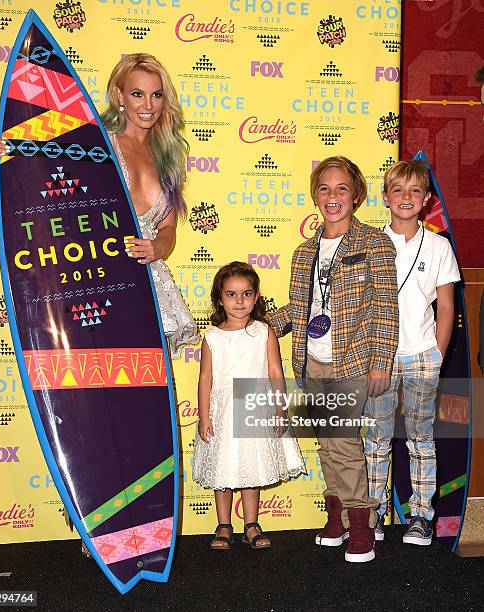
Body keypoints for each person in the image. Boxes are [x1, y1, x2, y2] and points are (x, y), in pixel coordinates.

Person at [0, 53, 199, 359]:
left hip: (146, 285)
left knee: (153, 391)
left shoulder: (168, 157)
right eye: (138, 94)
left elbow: (167, 228)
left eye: (156, 95)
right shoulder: (97, 143)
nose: (148, 106)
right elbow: (43, 174)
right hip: (97, 277)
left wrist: (158, 247)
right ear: (119, 95)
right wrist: (5, 152)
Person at [266, 156, 399, 563]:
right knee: (325, 444)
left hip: (353, 360)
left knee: (342, 442)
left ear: (356, 194)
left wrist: (381, 360)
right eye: (324, 188)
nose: (332, 196)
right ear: (315, 195)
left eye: (341, 188)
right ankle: (337, 517)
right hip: (310, 363)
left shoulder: (374, 242)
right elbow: (300, 307)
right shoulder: (304, 252)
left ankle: (363, 525)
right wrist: (258, 324)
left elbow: (386, 309)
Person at [364, 159, 460, 545]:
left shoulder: (438, 246)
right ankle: (372, 514)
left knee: (421, 437)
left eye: (415, 191)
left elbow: (446, 306)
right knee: (376, 438)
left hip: (422, 354)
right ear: (385, 197)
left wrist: (435, 354)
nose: (406, 198)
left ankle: (421, 515)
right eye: (398, 191)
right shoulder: (369, 243)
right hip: (379, 358)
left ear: (426, 200)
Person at [192, 262, 305, 550]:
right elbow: (205, 378)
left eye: (246, 294)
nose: (239, 301)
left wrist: (280, 408)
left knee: (251, 469)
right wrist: (204, 416)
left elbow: (276, 372)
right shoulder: (213, 337)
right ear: (219, 298)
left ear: (256, 298)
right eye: (231, 294)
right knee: (223, 470)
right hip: (222, 413)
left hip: (256, 409)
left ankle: (251, 524)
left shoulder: (264, 332)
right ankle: (223, 525)